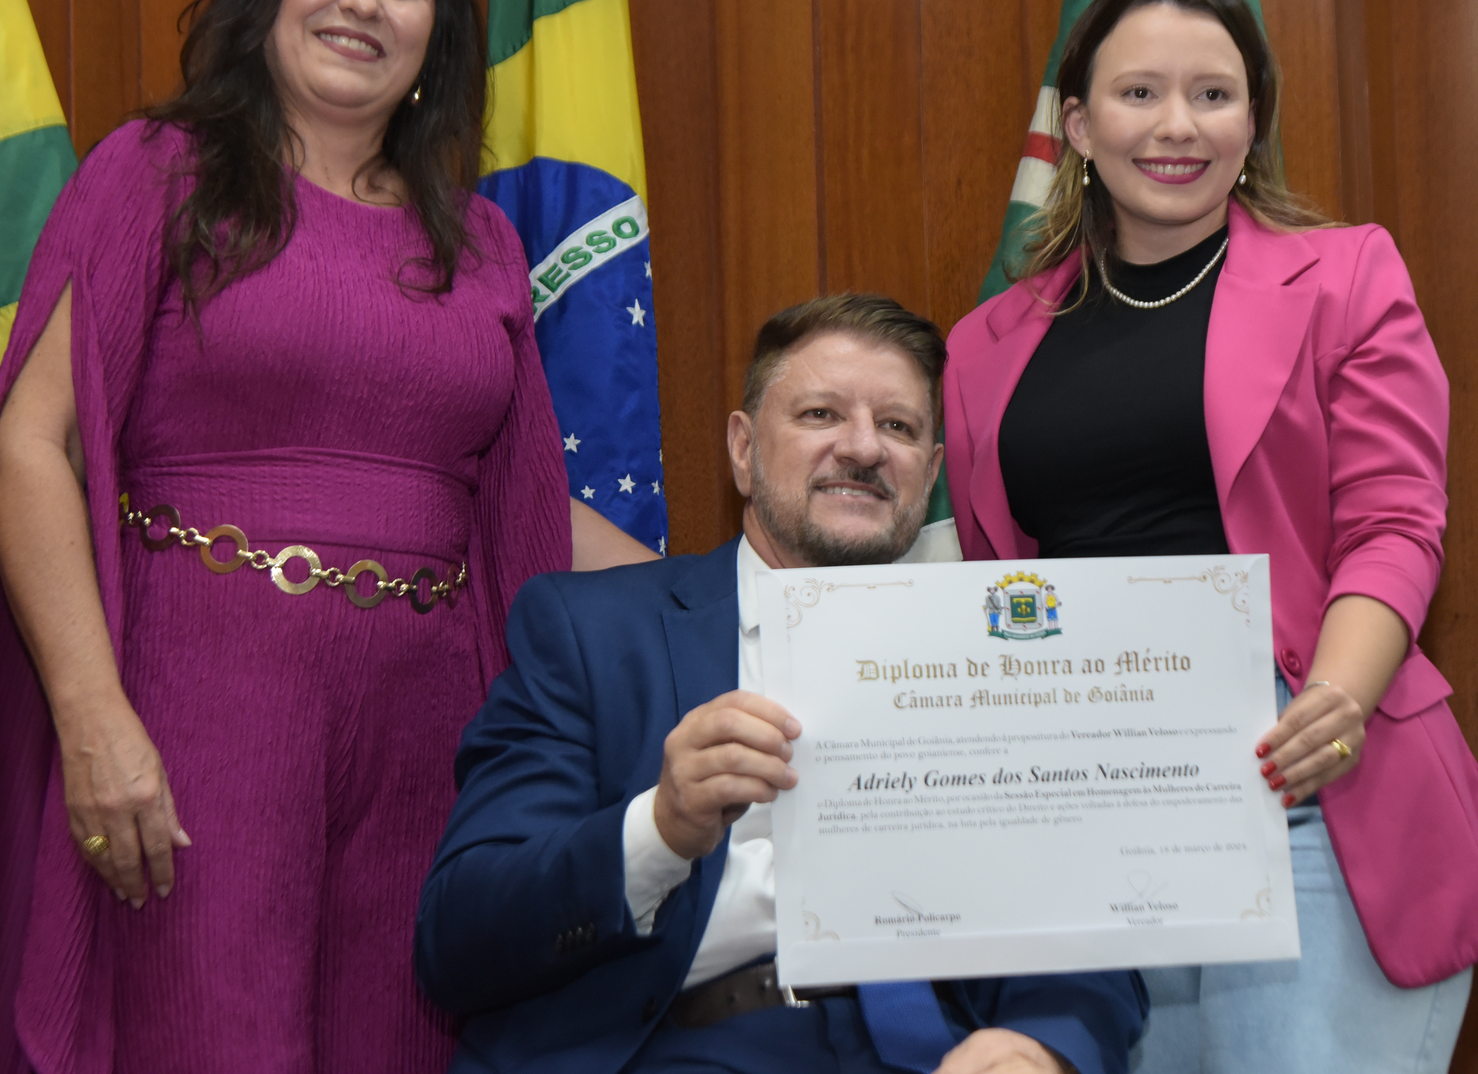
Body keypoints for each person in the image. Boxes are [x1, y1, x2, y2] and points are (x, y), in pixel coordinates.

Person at [0, 0, 654, 1074]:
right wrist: (91, 713)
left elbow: (530, 515)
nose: (363, 1)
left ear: (435, 39)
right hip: (196, 714)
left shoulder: (482, 239)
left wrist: (739, 604)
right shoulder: (157, 171)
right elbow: (31, 445)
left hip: (435, 743)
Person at [941, 0, 1478, 1072]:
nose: (1178, 124)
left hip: (1306, 776)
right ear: (1078, 125)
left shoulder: (1346, 275)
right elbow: (997, 589)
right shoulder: (983, 346)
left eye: (1214, 94)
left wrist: (1335, 703)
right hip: (1090, 813)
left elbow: (1395, 522)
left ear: (1253, 121)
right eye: (1139, 92)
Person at [415, 294, 1147, 1073]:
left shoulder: (995, 662)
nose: (863, 447)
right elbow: (459, 939)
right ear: (743, 449)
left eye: (898, 426)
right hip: (672, 1048)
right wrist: (661, 828)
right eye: (820, 414)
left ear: (931, 472)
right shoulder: (591, 633)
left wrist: (1039, 1046)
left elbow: (1090, 939)